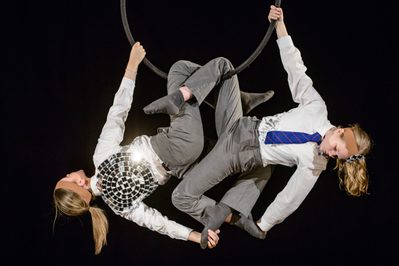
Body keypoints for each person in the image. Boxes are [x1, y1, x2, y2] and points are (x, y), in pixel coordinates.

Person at [171, 4, 372, 248]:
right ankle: (241, 99)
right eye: (336, 149)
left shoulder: (315, 164)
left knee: (181, 196)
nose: (331, 155)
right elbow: (296, 70)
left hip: (238, 152)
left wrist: (263, 224)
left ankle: (228, 215)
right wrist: (280, 24)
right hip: (242, 124)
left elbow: (290, 198)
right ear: (340, 131)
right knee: (221, 68)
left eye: (336, 157)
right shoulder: (317, 108)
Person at [53, 42, 275, 254]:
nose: (68, 173)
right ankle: (230, 94)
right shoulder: (100, 159)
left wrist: (197, 236)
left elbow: (158, 223)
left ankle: (239, 218)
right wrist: (132, 64)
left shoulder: (119, 207)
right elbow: (118, 112)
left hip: (182, 168)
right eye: (67, 177)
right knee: (180, 70)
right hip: (177, 144)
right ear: (80, 183)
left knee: (247, 154)